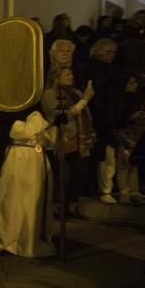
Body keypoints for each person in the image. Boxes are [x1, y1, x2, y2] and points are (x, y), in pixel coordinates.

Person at [0, 107, 60, 259]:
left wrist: (51, 126)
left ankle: (27, 241)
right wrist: (41, 120)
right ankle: (7, 241)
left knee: (31, 204)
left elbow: (49, 139)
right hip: (16, 159)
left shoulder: (37, 116)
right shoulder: (16, 117)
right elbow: (20, 132)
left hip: (35, 161)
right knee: (10, 201)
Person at [41, 68, 96, 218]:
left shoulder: (75, 93)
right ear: (56, 78)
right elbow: (59, 116)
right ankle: (57, 207)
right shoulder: (49, 94)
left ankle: (72, 205)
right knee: (62, 175)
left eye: (72, 74)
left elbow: (86, 115)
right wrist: (84, 101)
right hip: (60, 139)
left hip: (77, 140)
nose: (71, 76)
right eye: (67, 74)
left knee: (80, 174)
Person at [79, 38, 125, 204]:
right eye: (107, 52)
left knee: (108, 155)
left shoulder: (113, 70)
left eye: (113, 52)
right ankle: (101, 189)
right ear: (97, 51)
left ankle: (105, 188)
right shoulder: (91, 70)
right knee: (101, 155)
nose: (110, 56)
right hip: (97, 116)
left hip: (108, 116)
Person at [112, 82, 145, 205]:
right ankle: (124, 194)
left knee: (134, 168)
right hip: (127, 141)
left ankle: (134, 193)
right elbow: (120, 128)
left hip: (136, 143)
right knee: (124, 167)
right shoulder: (133, 113)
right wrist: (127, 141)